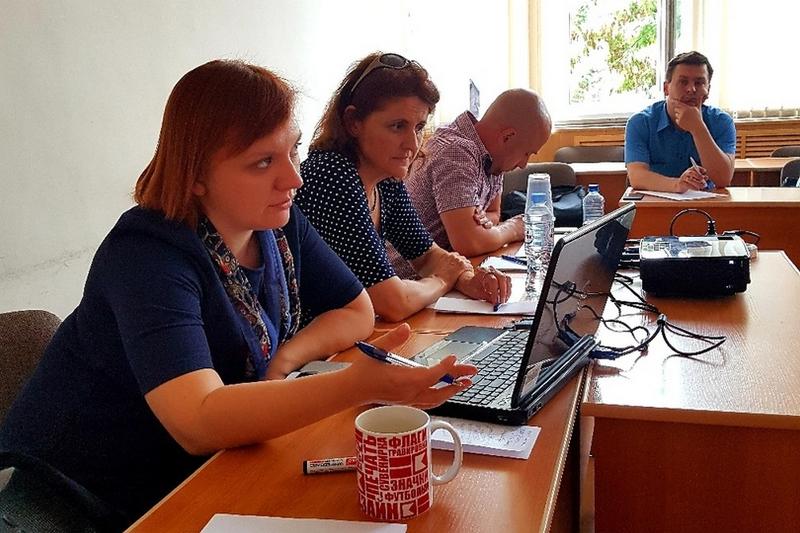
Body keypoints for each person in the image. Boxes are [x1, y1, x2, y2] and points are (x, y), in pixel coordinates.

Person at [0, 59, 475, 528]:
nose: (294, 179)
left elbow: (357, 309)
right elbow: (198, 420)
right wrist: (357, 385)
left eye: (292, 150)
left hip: (192, 473)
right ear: (195, 174)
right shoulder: (147, 253)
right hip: (72, 498)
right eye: (263, 162)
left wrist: (287, 357)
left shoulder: (274, 222)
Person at [296, 52, 512, 323]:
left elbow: (427, 256)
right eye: (398, 126)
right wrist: (443, 279)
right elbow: (392, 302)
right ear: (353, 122)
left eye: (419, 127)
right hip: (310, 341)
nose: (412, 144)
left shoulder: (384, 179)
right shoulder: (331, 175)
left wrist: (469, 279)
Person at [403, 88, 552, 258]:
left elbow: (494, 213)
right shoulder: (456, 152)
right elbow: (469, 243)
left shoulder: (494, 156)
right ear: (507, 137)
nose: (524, 165)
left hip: (448, 266)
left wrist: (481, 229)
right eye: (526, 153)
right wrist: (515, 228)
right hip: (413, 272)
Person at [625, 51, 736, 193]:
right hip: (656, 201)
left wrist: (698, 128)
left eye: (699, 83)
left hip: (707, 201)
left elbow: (723, 179)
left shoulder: (722, 122)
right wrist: (678, 185)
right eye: (683, 82)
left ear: (708, 89)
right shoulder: (640, 123)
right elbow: (637, 177)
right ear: (666, 88)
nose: (691, 89)